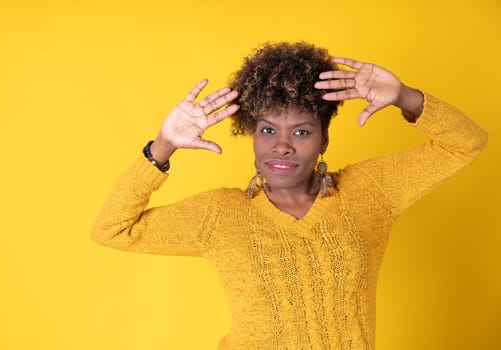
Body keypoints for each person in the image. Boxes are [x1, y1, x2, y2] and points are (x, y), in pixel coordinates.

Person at [91, 42, 488, 349]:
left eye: (301, 131)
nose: (282, 145)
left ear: (323, 139)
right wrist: (163, 145)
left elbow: (466, 144)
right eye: (267, 130)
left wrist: (405, 96)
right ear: (251, 134)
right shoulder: (219, 214)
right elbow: (111, 230)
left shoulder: (369, 193)